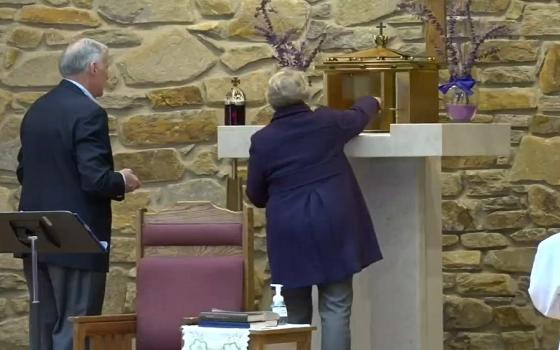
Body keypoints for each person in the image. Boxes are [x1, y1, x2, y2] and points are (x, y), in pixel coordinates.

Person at [16, 38, 141, 350]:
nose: (108, 76)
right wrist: (123, 180)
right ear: (93, 68)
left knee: (43, 329)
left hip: (34, 238)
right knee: (76, 329)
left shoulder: (38, 109)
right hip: (77, 239)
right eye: (107, 69)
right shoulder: (88, 112)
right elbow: (95, 179)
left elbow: (23, 171)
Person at [246, 68, 383, 350]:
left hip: (288, 229)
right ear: (305, 93)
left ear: (270, 99)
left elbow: (256, 195)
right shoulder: (327, 122)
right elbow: (359, 116)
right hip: (332, 221)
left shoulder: (263, 140)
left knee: (294, 314)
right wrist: (374, 100)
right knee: (336, 307)